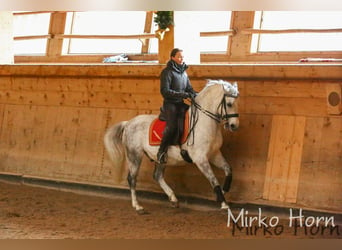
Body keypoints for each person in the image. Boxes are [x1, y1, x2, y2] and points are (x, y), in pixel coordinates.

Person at [157, 48, 197, 164]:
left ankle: (185, 146)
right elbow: (165, 91)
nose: (181, 59)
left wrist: (197, 95)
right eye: (179, 57)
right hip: (170, 104)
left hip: (180, 103)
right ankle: (162, 151)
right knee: (172, 126)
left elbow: (189, 89)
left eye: (182, 57)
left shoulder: (184, 73)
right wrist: (183, 94)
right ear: (172, 57)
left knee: (193, 118)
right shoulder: (167, 72)